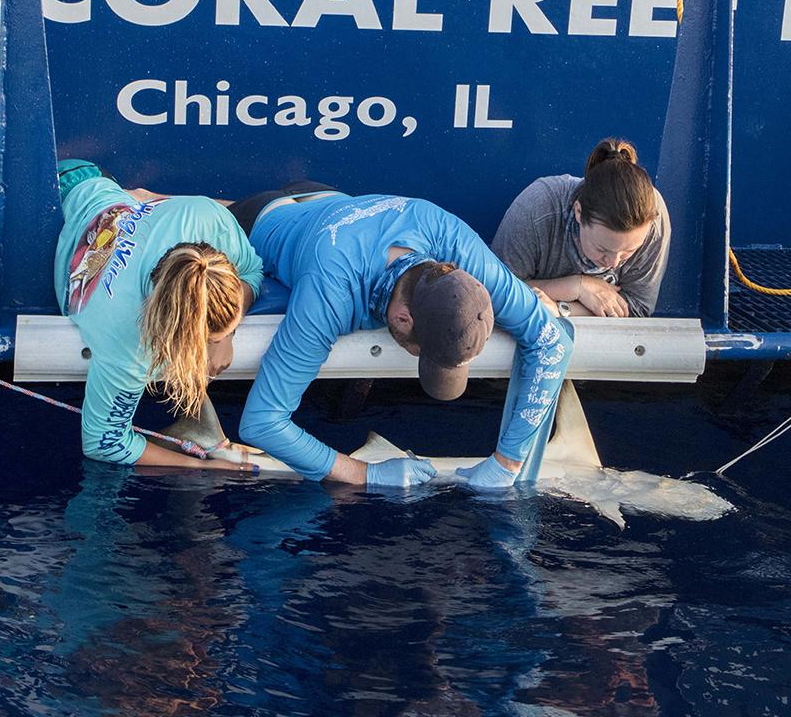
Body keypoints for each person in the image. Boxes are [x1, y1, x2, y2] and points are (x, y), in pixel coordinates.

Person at [231, 184, 575, 490]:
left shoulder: (451, 239)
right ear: (401, 318)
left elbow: (552, 340)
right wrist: (364, 474)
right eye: (423, 353)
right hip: (262, 221)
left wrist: (508, 461)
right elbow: (261, 423)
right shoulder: (329, 292)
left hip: (331, 201)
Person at [52, 160, 261, 471]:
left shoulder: (207, 216)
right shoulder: (125, 340)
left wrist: (224, 337)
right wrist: (203, 469)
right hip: (60, 188)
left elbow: (252, 271)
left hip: (102, 187)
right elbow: (103, 443)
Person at [492, 138, 671, 319]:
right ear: (579, 212)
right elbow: (496, 291)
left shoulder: (653, 216)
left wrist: (561, 309)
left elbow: (637, 308)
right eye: (601, 249)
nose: (613, 262)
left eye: (629, 251)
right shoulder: (537, 209)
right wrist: (576, 287)